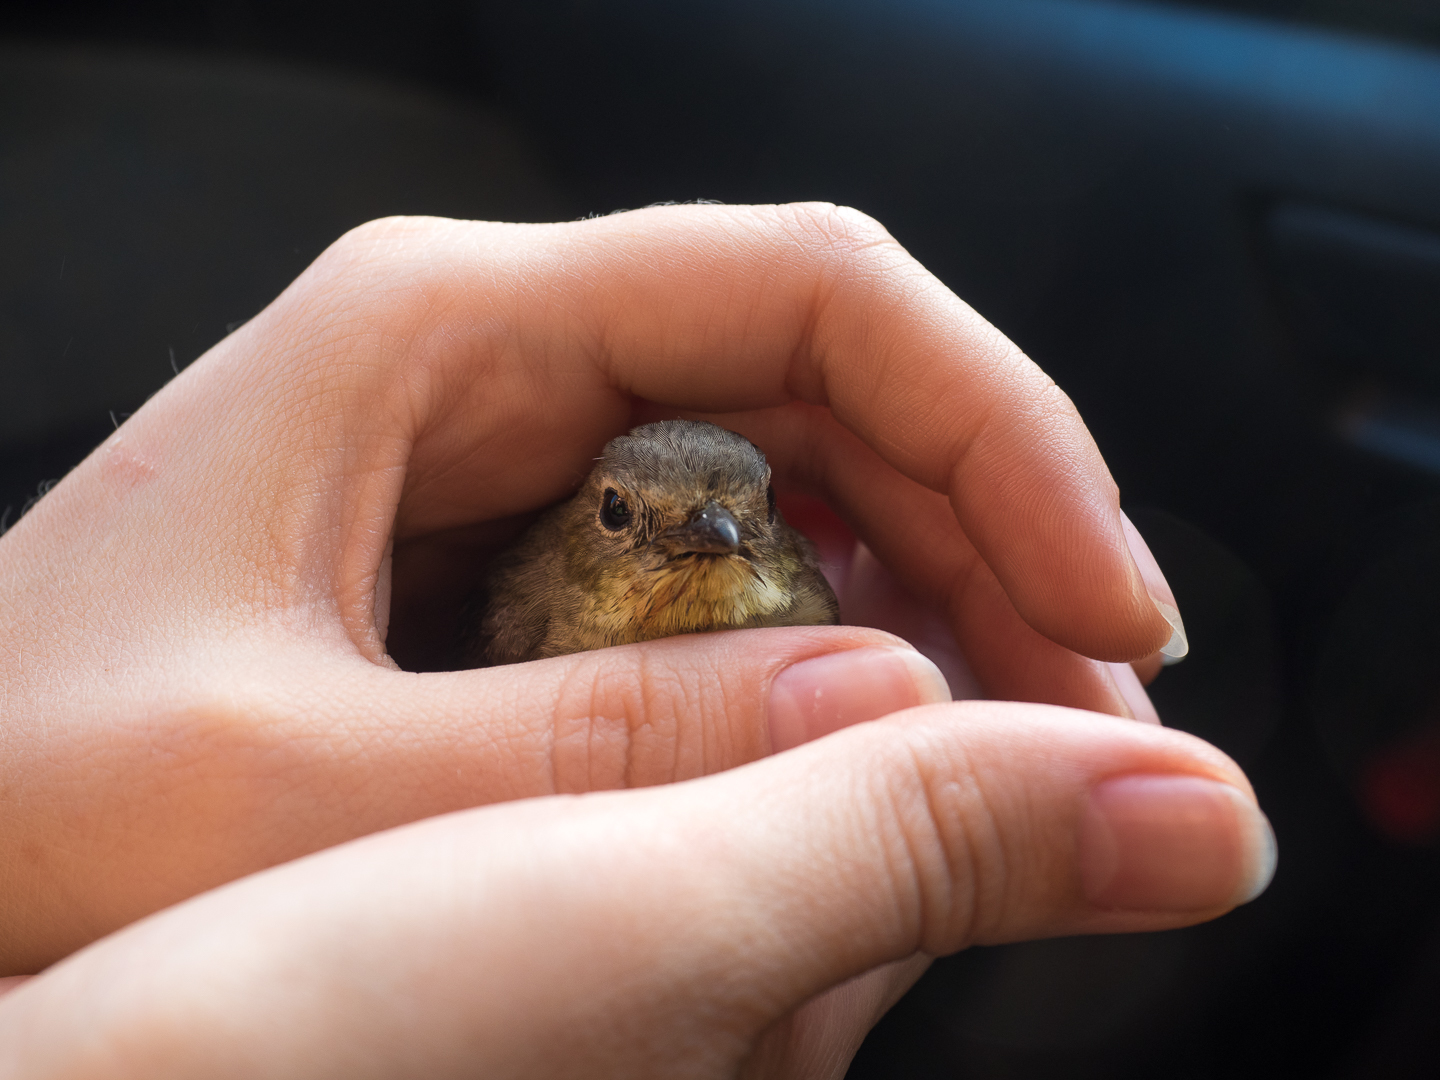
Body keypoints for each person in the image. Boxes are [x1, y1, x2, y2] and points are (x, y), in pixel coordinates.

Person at [0, 204, 1274, 1077]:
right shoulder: (526, 615)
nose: (711, 538)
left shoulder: (800, 615)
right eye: (630, 520)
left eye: (742, 517)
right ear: (586, 525)